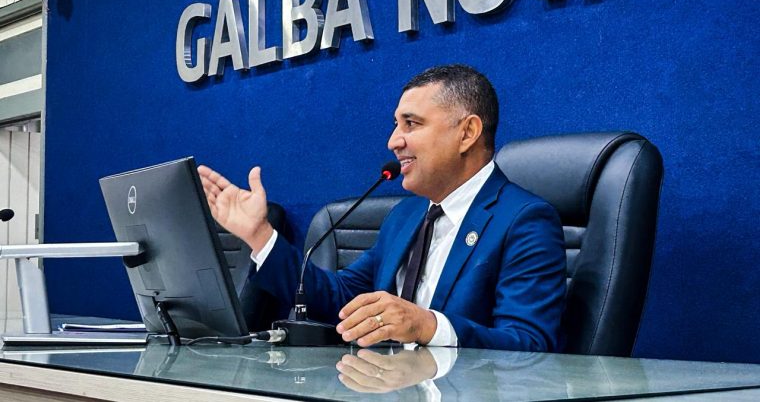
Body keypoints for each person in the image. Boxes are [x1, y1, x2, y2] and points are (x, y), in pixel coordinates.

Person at [198, 64, 566, 350]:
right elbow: (339, 298)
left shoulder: (525, 220)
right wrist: (260, 236)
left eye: (411, 124)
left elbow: (529, 345)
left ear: (467, 133)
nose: (393, 141)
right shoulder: (404, 216)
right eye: (395, 125)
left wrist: (428, 326)